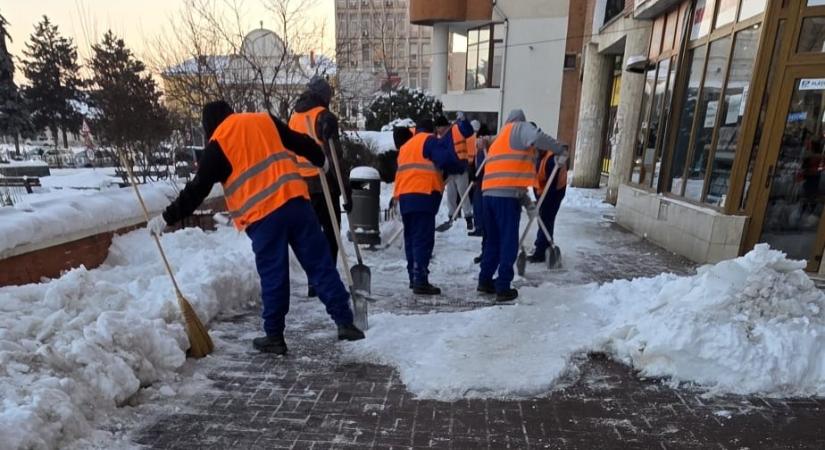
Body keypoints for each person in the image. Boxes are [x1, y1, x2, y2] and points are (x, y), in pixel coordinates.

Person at [146, 100, 365, 355]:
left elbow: (197, 190)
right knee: (320, 263)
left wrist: (165, 218)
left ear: (209, 126)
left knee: (274, 274)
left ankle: (274, 335)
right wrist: (321, 160)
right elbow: (299, 141)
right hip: (296, 203)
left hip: (264, 217)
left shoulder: (218, 144)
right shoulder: (263, 120)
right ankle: (345, 322)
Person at [477, 109, 565, 302]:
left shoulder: (501, 139)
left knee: (492, 241)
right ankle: (503, 287)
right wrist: (560, 149)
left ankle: (484, 280)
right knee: (508, 241)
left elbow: (509, 177)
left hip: (488, 196)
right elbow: (537, 136)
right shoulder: (518, 128)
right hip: (505, 200)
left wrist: (527, 203)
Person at [393, 117, 470, 295]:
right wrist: (460, 167)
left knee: (411, 238)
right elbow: (445, 159)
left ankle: (413, 277)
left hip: (405, 196)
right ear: (432, 131)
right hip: (423, 195)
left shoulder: (406, 146)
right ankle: (421, 279)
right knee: (423, 239)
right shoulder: (429, 141)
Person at [288, 76, 350, 298]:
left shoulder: (294, 116)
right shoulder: (324, 117)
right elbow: (335, 157)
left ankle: (313, 280)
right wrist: (346, 191)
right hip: (322, 182)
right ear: (324, 96)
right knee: (331, 232)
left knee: (311, 234)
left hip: (301, 184)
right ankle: (327, 278)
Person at [528, 144, 568, 263]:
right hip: (543, 190)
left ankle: (540, 251)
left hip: (556, 191)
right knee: (543, 218)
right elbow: (537, 181)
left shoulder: (551, 160)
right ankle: (543, 245)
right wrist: (538, 199)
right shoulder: (536, 155)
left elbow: (552, 185)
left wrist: (542, 202)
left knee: (546, 218)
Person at [435, 114, 474, 232]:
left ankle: (468, 218)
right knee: (450, 195)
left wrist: (464, 120)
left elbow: (469, 132)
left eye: (438, 128)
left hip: (460, 168)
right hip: (450, 170)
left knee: (464, 194)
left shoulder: (457, 128)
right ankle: (452, 217)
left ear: (443, 126)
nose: (437, 130)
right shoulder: (440, 137)